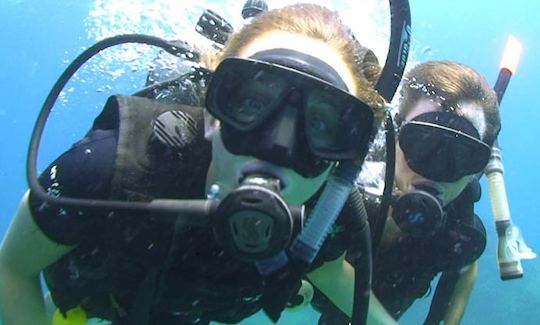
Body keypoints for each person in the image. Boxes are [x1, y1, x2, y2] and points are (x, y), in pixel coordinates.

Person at [0, 4, 388, 325]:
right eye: (252, 103)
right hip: (103, 297)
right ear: (211, 109)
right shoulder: (107, 166)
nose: (278, 147)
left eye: (320, 124)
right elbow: (11, 269)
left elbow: (333, 273)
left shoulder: (326, 217)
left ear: (350, 151)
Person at [309, 60, 500, 324]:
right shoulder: (345, 189)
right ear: (394, 135)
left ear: (474, 171)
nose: (435, 170)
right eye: (422, 143)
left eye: (462, 155)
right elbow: (325, 272)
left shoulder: (459, 229)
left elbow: (466, 267)